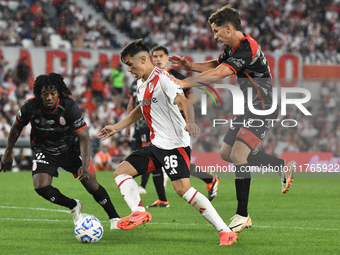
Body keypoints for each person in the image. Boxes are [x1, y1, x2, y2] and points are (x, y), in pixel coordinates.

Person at [169, 5, 297, 233]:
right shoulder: (234, 47)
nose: (215, 36)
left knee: (239, 155)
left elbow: (219, 74)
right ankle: (280, 166)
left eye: (217, 31)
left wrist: (186, 82)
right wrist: (190, 67)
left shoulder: (247, 48)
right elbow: (216, 65)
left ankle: (242, 214)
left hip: (263, 108)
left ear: (228, 29)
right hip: (249, 108)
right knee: (226, 153)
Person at [98, 39, 238, 245]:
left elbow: (183, 101)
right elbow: (141, 107)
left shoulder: (163, 78)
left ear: (143, 59)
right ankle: (138, 212)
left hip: (175, 144)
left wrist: (190, 121)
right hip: (157, 145)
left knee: (183, 190)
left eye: (129, 63)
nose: (128, 69)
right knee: (121, 172)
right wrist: (117, 126)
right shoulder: (140, 82)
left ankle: (225, 231)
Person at [0, 73, 121, 229]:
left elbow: (84, 137)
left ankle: (114, 218)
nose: (49, 97)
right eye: (45, 94)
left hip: (70, 149)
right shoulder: (30, 106)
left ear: (59, 93)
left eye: (53, 93)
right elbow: (16, 127)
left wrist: (84, 164)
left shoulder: (69, 106)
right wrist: (7, 152)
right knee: (41, 187)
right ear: (39, 94)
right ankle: (73, 205)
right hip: (44, 149)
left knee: (91, 185)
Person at [145, 45, 220, 206]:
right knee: (159, 157)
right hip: (161, 127)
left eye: (160, 56)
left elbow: (192, 100)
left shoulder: (175, 76)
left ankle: (209, 178)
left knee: (177, 163)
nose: (157, 59)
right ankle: (163, 199)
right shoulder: (151, 78)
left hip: (177, 126)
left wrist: (177, 107)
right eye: (155, 56)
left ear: (167, 58)